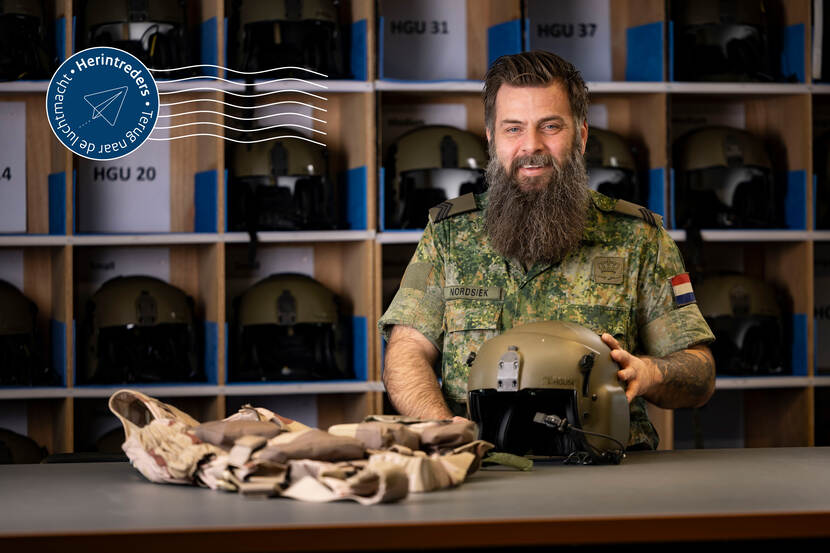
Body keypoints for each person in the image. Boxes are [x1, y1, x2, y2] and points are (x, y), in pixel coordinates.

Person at [377, 51, 716, 449]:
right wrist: (444, 426)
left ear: (581, 135)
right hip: (482, 467)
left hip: (607, 470)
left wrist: (650, 373)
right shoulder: (450, 235)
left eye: (550, 126)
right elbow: (406, 354)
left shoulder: (638, 238)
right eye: (513, 129)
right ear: (492, 139)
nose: (531, 146)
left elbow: (700, 373)